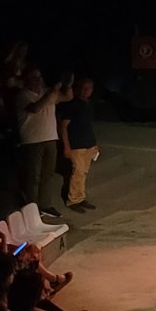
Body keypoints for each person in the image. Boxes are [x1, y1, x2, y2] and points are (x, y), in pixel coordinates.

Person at [14, 66, 68, 219]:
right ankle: (32, 207)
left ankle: (45, 204)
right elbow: (35, 108)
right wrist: (52, 91)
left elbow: (67, 97)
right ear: (26, 79)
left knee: (48, 174)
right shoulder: (23, 95)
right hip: (33, 140)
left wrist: (67, 84)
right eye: (34, 77)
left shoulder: (47, 93)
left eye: (39, 77)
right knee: (34, 177)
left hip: (50, 137)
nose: (38, 80)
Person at [57, 76, 99, 212]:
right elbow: (63, 126)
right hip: (76, 144)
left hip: (88, 143)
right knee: (78, 171)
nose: (86, 91)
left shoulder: (88, 104)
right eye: (84, 88)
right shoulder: (72, 104)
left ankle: (80, 197)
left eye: (89, 88)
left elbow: (88, 125)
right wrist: (66, 146)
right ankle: (73, 200)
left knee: (83, 172)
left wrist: (94, 143)